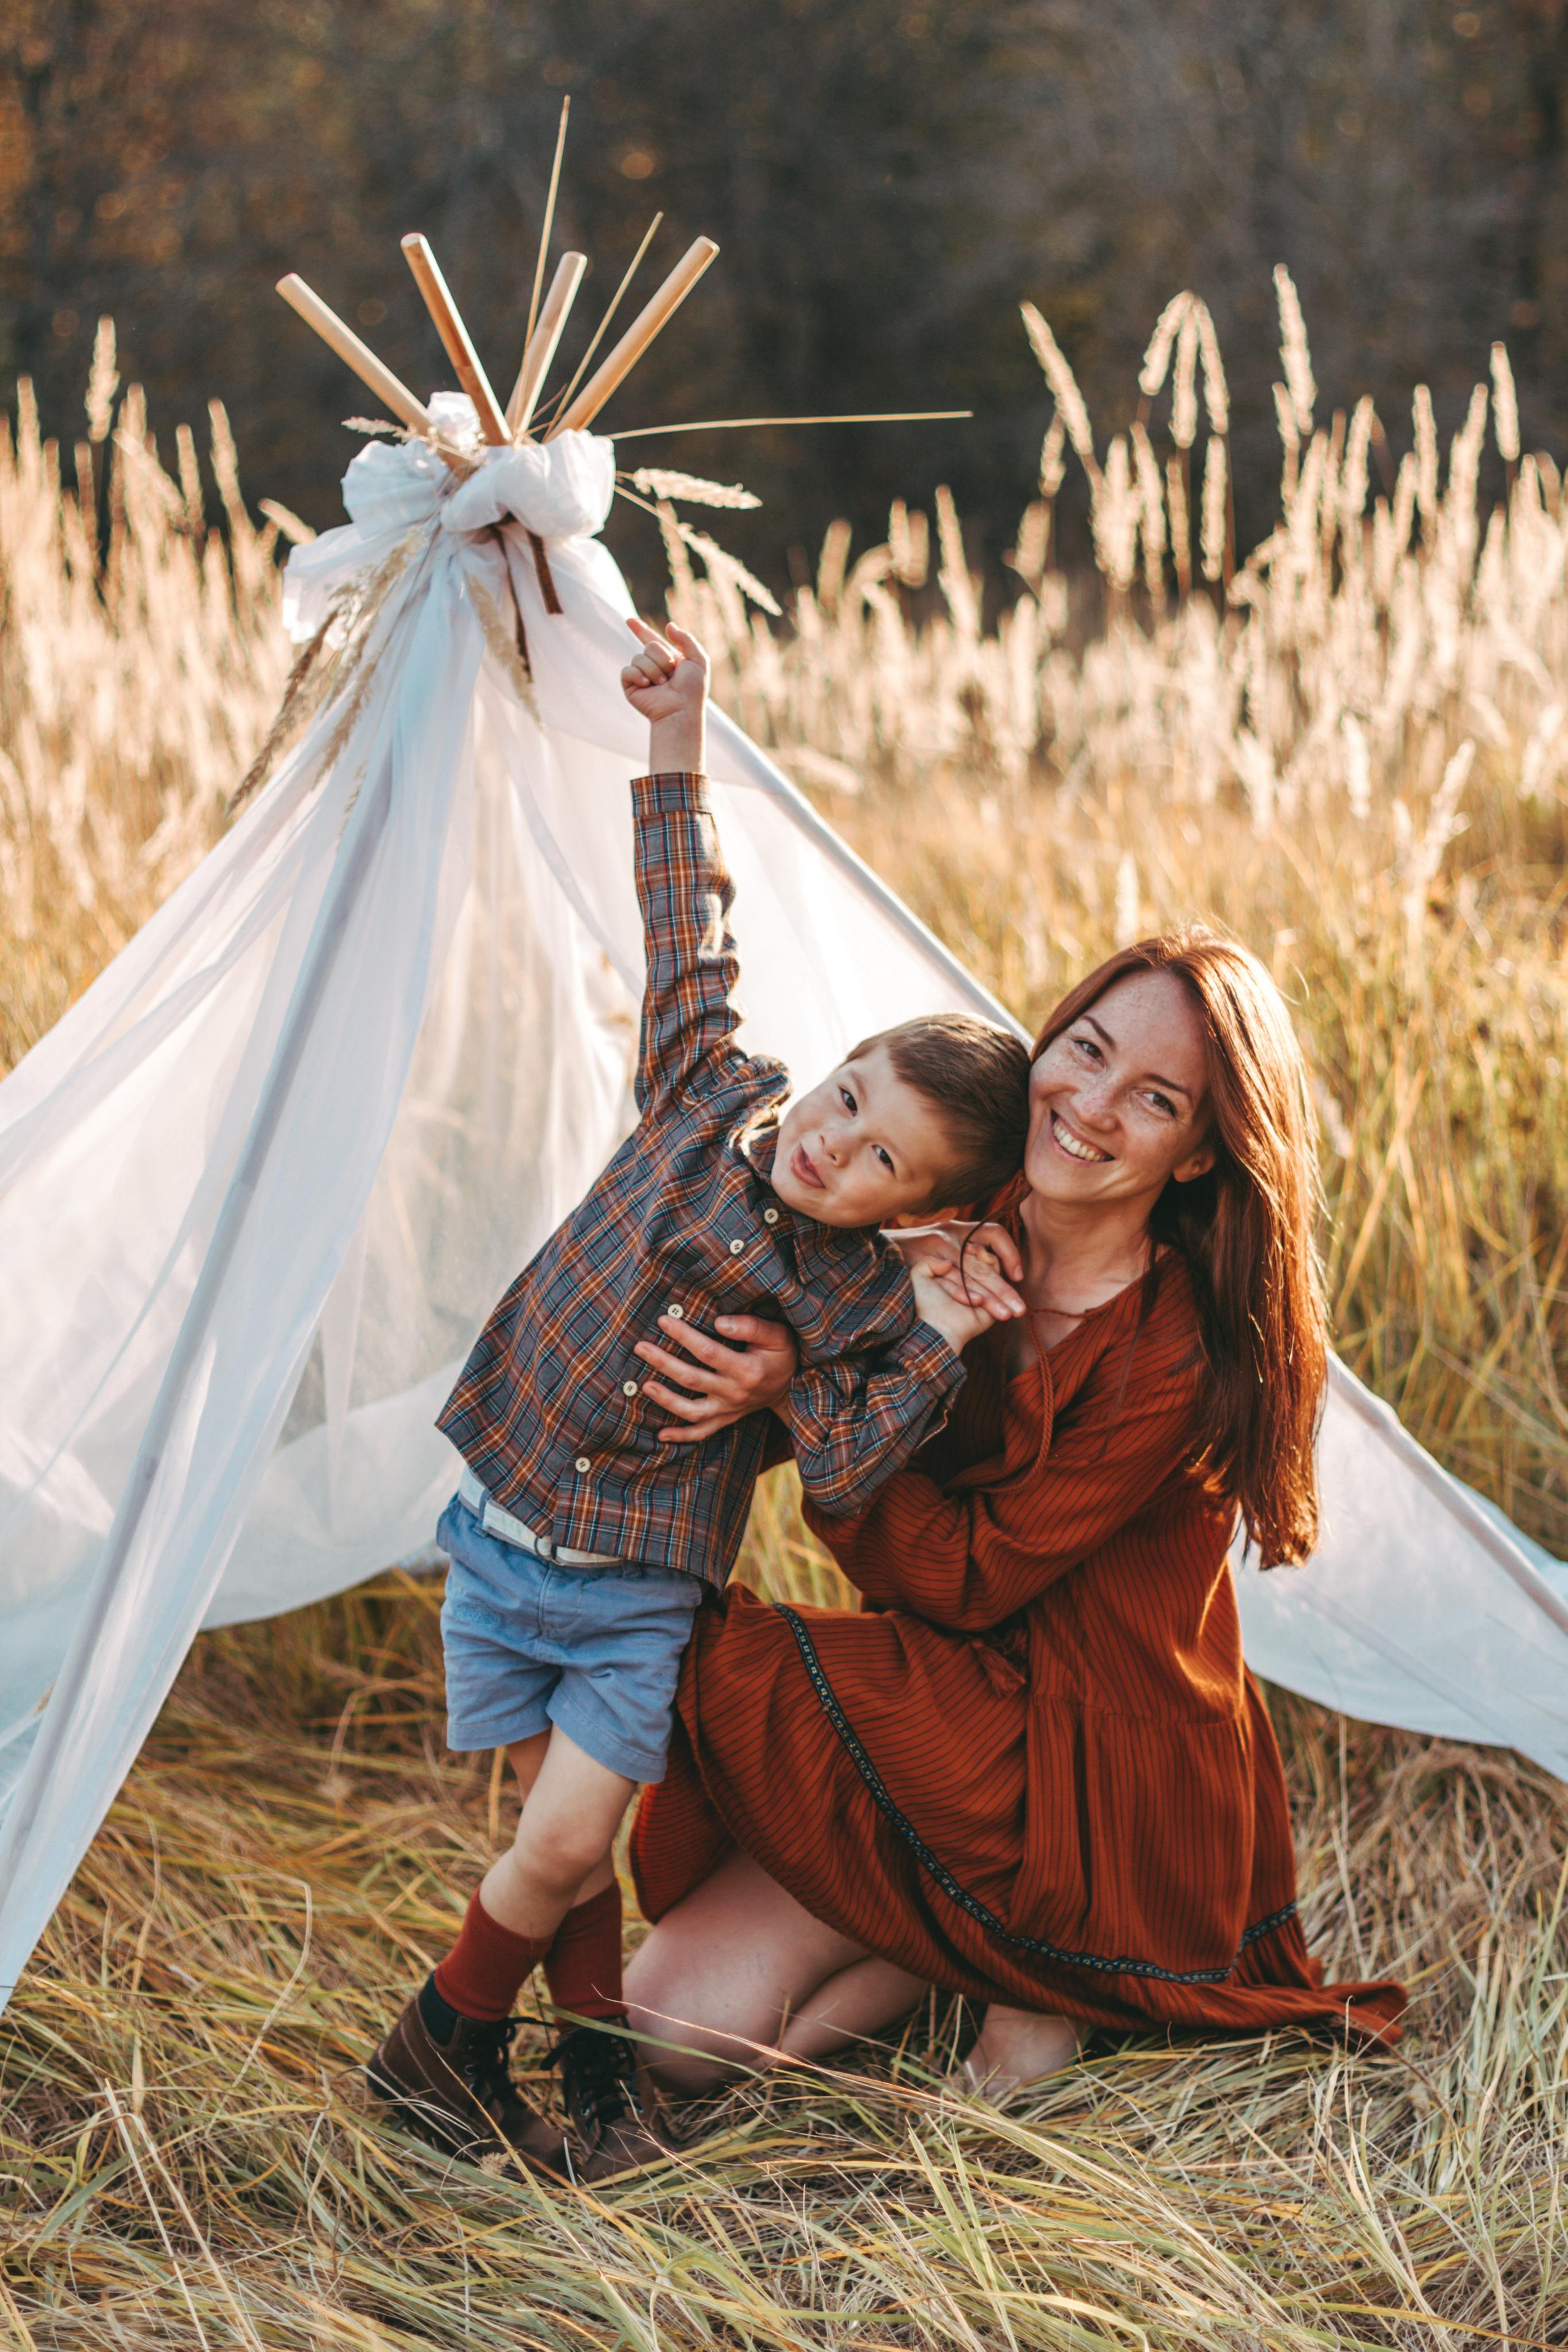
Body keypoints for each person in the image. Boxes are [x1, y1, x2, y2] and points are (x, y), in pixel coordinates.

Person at [367, 619, 1032, 2182]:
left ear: (910, 1216)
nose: (838, 1145)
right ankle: (598, 2095)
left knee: (556, 1844)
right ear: (833, 1061)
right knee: (567, 1855)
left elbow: (855, 1465)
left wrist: (929, 1322)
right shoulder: (703, 1089)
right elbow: (685, 912)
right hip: (502, 1531)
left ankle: (431, 2055)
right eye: (850, 1099)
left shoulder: (863, 1300)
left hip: (631, 1600)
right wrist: (680, 737)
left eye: (883, 1164)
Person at [624, 930, 1408, 2097]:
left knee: (690, 2029)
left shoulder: (1176, 1349)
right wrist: (801, 1358)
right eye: (1083, 1050)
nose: (1087, 1106)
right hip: (941, 1698)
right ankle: (962, 1944)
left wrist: (805, 1396)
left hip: (1097, 1750)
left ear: (1197, 1155)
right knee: (661, 2027)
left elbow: (967, 1579)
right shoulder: (952, 1193)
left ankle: (1029, 1961)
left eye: (1152, 1099)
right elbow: (801, 1322)